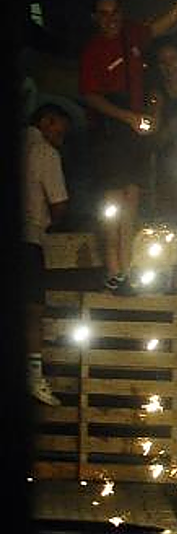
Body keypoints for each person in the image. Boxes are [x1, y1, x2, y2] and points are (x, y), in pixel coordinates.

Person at [79, 0, 177, 292]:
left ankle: (125, 267)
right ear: (95, 18)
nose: (110, 19)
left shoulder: (132, 36)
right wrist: (125, 117)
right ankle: (113, 267)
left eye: (114, 12)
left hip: (134, 130)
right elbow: (89, 95)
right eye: (103, 14)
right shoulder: (93, 50)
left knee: (131, 197)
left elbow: (158, 26)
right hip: (110, 128)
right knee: (113, 200)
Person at [23, 103, 72, 406]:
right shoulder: (44, 153)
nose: (61, 136)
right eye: (59, 129)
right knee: (32, 312)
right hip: (27, 239)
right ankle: (32, 376)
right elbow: (59, 204)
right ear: (45, 121)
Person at [147, 34, 177, 224]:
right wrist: (170, 129)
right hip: (171, 167)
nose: (169, 66)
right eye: (163, 62)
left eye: (173, 59)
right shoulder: (157, 96)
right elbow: (153, 140)